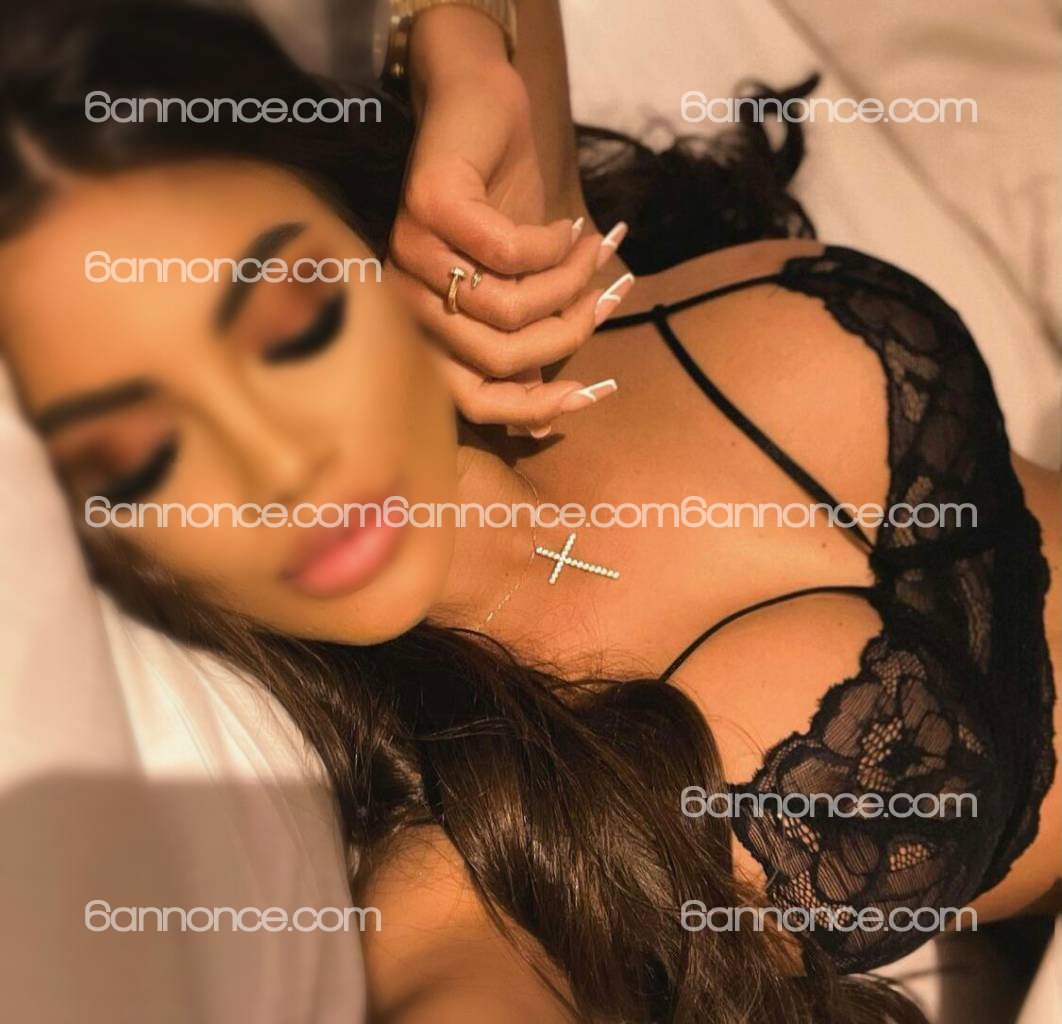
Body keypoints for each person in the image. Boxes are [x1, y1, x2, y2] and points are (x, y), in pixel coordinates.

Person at [0, 2, 1057, 1021]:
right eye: (143, 460)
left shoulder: (539, 264)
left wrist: (457, 52)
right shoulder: (478, 859)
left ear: (368, 239)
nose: (277, 467)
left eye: (292, 324)